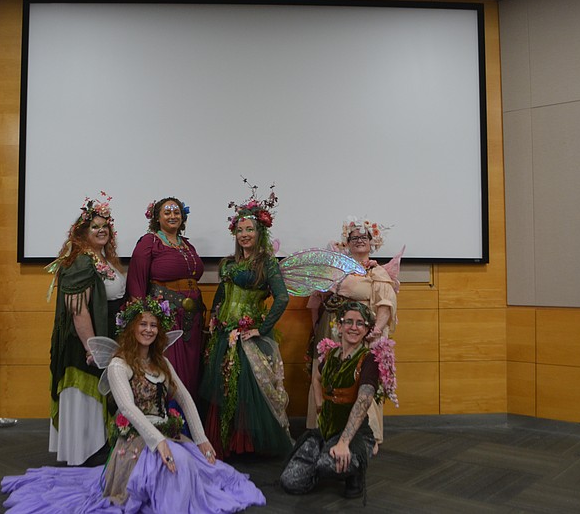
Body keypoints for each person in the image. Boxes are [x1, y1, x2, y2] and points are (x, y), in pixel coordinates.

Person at [1, 297, 266, 513]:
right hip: (137, 438)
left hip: (168, 433)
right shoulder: (119, 364)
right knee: (175, 467)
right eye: (143, 324)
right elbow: (128, 409)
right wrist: (158, 442)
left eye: (153, 325)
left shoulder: (162, 362)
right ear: (131, 328)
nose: (149, 330)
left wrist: (200, 438)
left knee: (204, 468)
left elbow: (184, 397)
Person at [200, 184, 292, 458]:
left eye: (249, 229)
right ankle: (225, 443)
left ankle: (247, 445)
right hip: (224, 334)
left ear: (259, 232)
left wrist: (261, 329)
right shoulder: (228, 263)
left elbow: (283, 298)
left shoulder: (267, 263)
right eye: (239, 230)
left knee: (247, 391)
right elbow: (221, 294)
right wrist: (214, 319)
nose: (244, 235)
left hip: (247, 335)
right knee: (224, 389)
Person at [280, 301, 397, 500]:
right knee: (289, 481)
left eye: (360, 323)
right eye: (348, 322)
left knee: (327, 464)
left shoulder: (368, 360)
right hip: (325, 431)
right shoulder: (330, 355)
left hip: (354, 435)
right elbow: (316, 379)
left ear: (367, 329)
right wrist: (319, 407)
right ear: (339, 326)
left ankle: (355, 470)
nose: (353, 327)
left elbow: (363, 402)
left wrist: (344, 443)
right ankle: (326, 458)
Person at [45, 192, 127, 466]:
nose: (102, 230)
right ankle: (84, 450)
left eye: (105, 226)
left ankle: (101, 445)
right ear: (83, 232)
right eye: (95, 227)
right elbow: (78, 310)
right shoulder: (80, 261)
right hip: (86, 342)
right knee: (87, 395)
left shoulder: (104, 258)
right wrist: (93, 347)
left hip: (107, 335)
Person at [305, 217, 399, 455]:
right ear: (347, 242)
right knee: (327, 374)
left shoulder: (377, 272)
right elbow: (317, 299)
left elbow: (385, 304)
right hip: (332, 329)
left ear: (371, 243)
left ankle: (365, 433)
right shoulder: (336, 268)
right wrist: (317, 325)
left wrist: (375, 330)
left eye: (363, 238)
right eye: (354, 238)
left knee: (359, 379)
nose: (359, 241)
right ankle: (323, 427)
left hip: (361, 333)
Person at [126, 197, 205, 400]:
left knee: (192, 369)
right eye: (167, 212)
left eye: (176, 212)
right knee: (170, 367)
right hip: (165, 317)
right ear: (157, 217)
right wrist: (143, 320)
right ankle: (169, 418)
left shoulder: (187, 245)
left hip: (192, 318)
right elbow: (137, 281)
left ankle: (189, 421)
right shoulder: (149, 243)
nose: (173, 216)